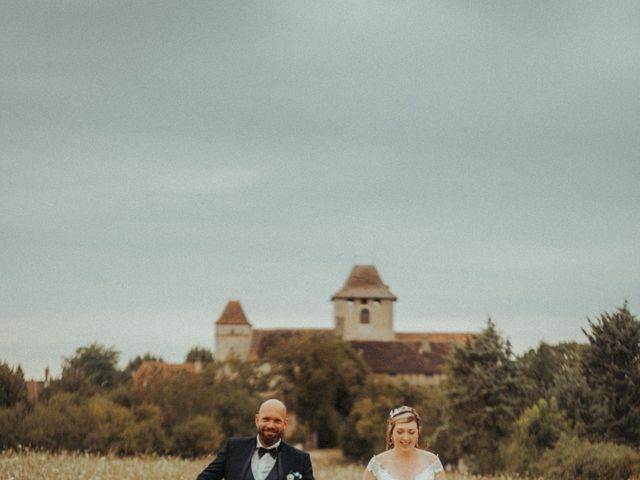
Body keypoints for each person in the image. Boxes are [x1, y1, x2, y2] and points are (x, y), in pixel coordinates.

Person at [196, 398, 314, 480]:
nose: (270, 425)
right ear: (257, 420)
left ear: (285, 423)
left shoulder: (300, 459)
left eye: (277, 421)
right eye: (266, 419)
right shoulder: (233, 448)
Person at [363, 406, 445, 480]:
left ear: (418, 434)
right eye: (400, 432)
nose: (406, 438)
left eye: (411, 432)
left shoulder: (432, 462)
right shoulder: (376, 464)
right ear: (391, 433)